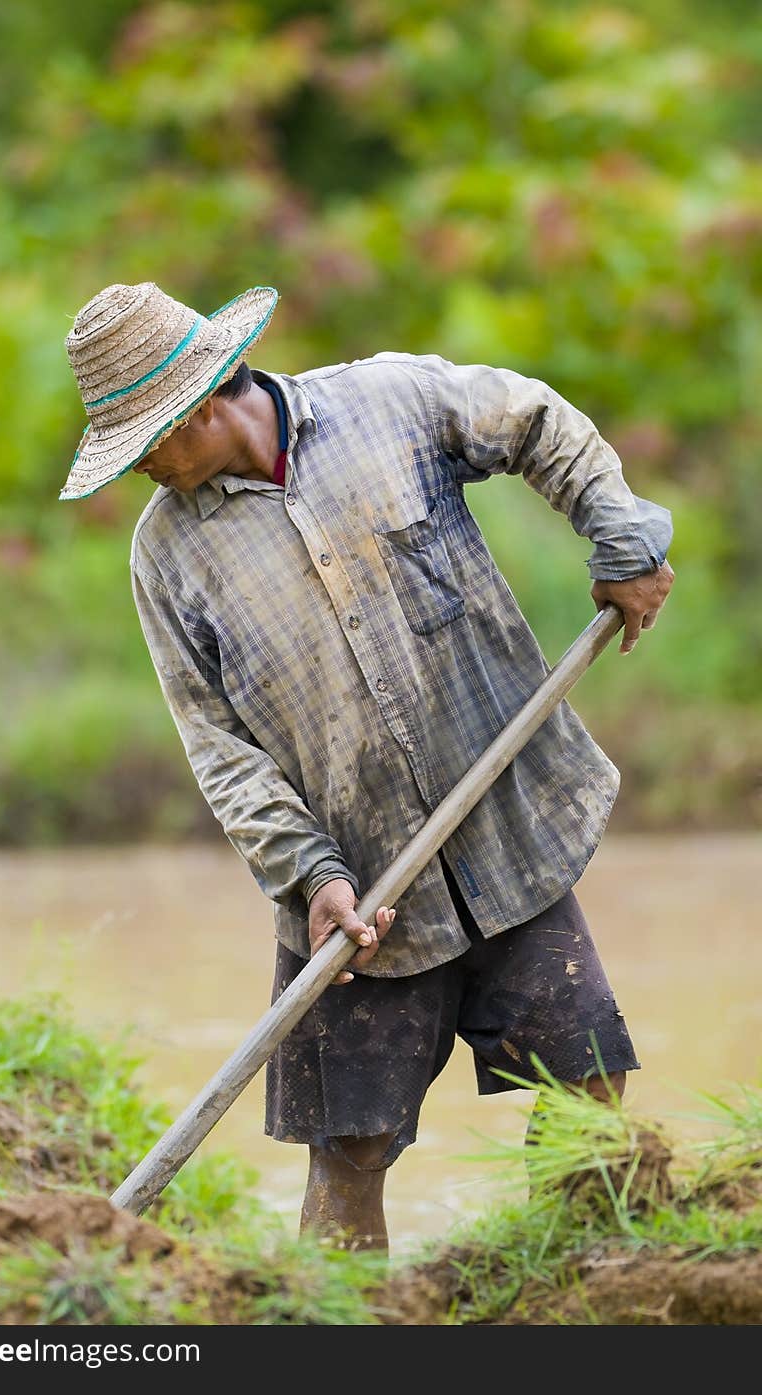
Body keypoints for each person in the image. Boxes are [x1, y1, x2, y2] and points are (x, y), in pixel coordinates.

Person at [60, 280, 674, 1255]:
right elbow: (219, 747)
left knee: (588, 1084)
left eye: (144, 443)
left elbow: (535, 421)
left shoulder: (390, 403)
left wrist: (620, 532)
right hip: (357, 900)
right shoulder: (167, 557)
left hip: (506, 841)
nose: (138, 469)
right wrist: (310, 873)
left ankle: (580, 1295)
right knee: (347, 1152)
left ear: (202, 400)